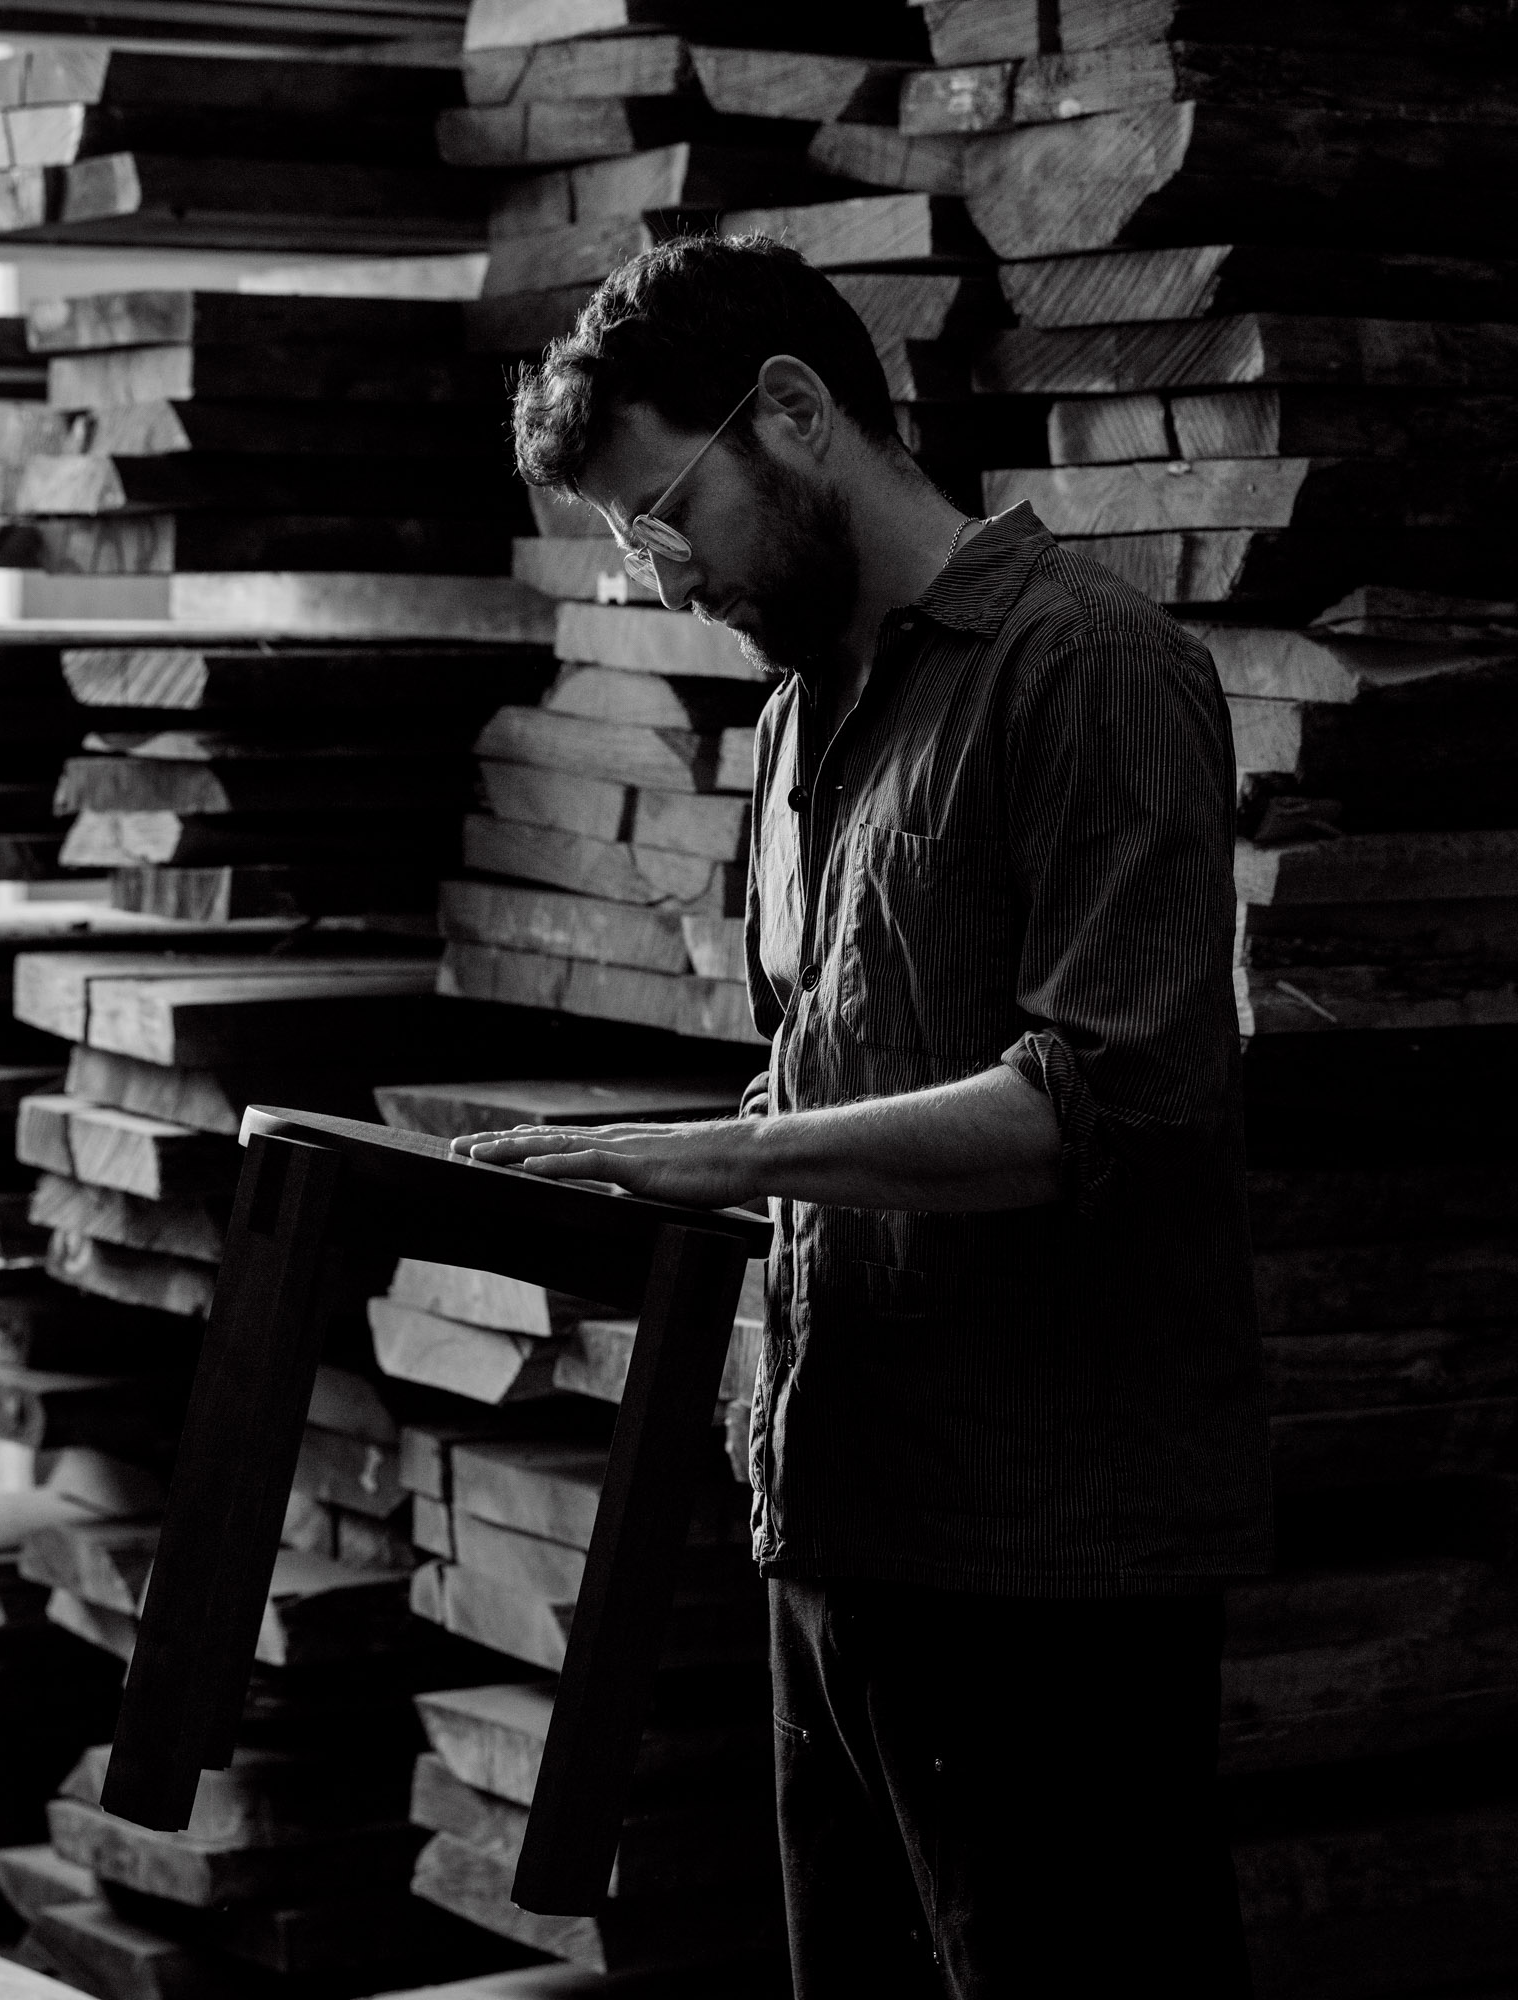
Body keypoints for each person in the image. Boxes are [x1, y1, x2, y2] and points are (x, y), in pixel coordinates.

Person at [453, 234, 1273, 1997]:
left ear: (800, 413)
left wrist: (724, 1153)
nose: (662, 580)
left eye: (663, 517)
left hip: (1047, 1564)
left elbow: (1101, 1103)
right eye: (624, 546)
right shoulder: (800, 722)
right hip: (836, 1530)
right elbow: (817, 1078)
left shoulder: (1096, 669)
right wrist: (646, 1192)